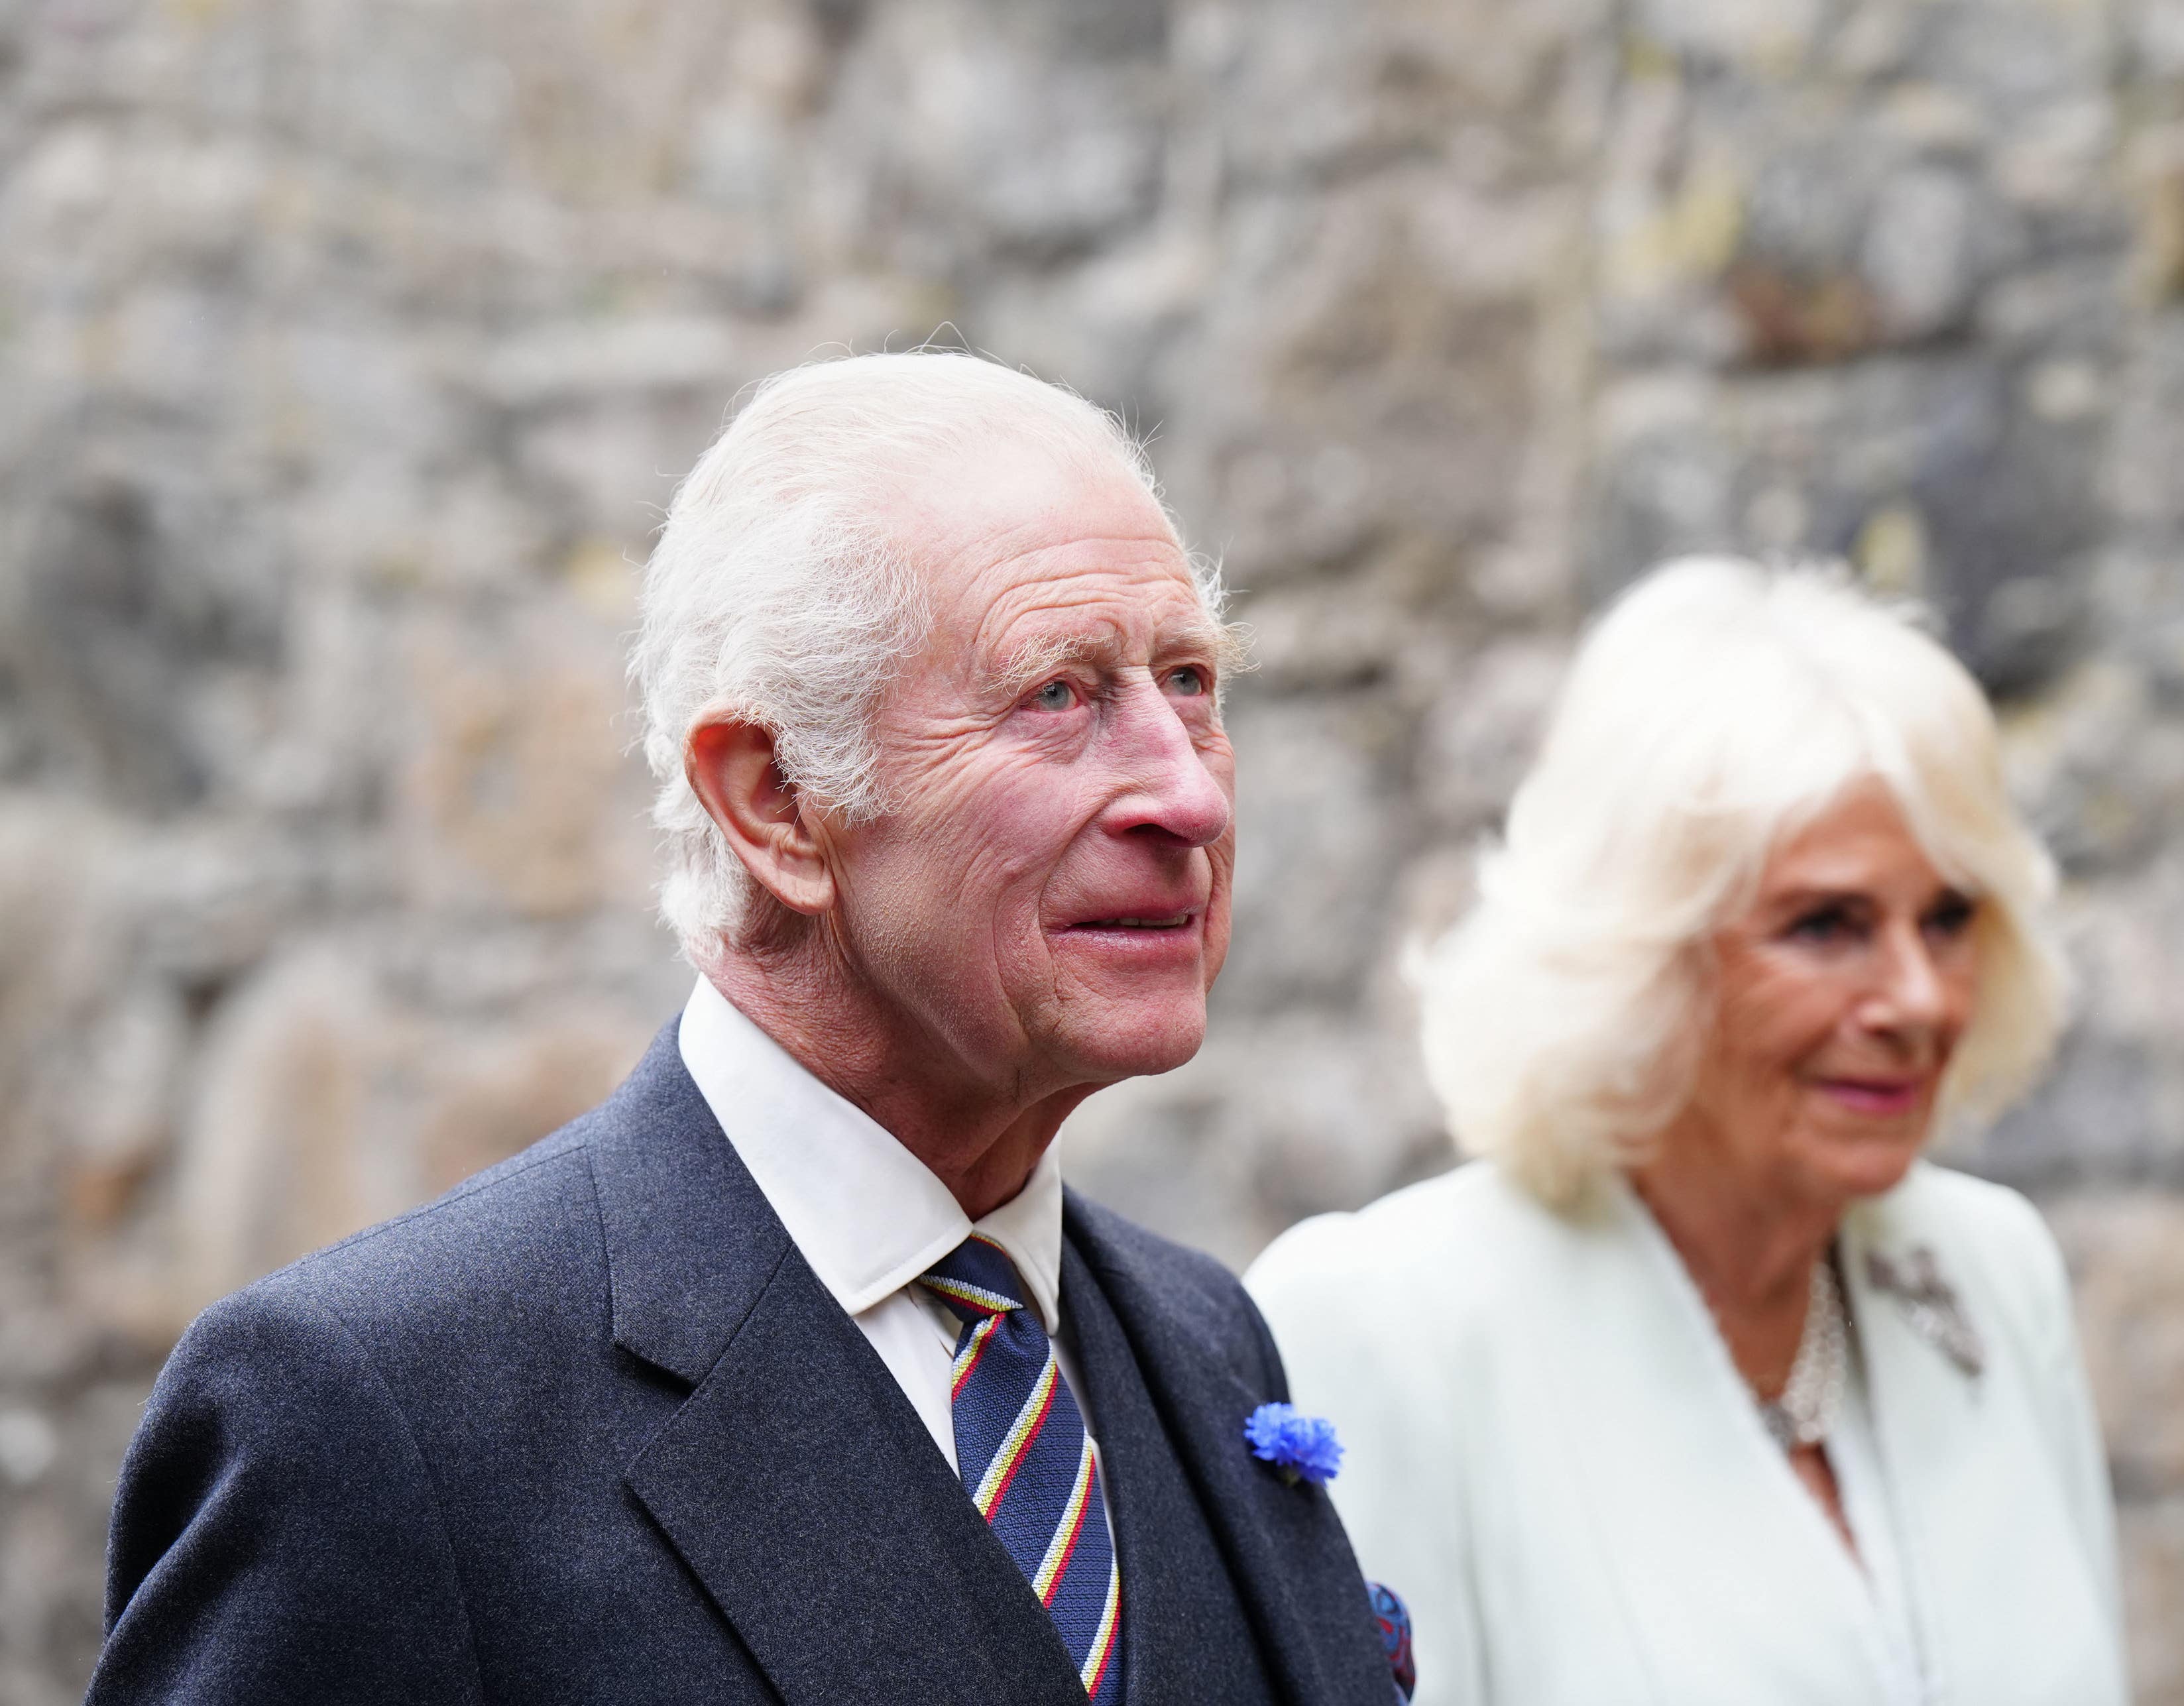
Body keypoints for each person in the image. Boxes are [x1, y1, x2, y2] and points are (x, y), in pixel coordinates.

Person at [89, 353, 1405, 1706]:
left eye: (1189, 681)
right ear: (774, 801)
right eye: (1056, 696)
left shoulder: (1201, 1342)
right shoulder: (378, 1417)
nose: (1185, 796)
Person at [1247, 558, 2126, 1706]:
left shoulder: (1987, 1271)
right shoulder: (1388, 1320)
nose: (1917, 998)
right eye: (1826, 925)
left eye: (1949, 916)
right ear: (1642, 957)